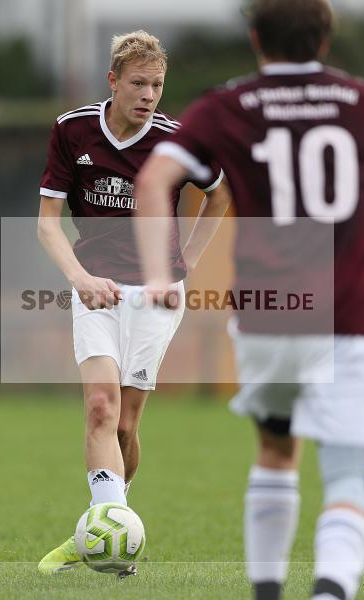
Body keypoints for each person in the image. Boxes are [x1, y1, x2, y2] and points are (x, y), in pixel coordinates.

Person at [134, 1, 364, 598]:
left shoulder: (226, 104)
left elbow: (154, 178)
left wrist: (160, 272)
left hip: (270, 314)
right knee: (347, 477)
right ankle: (330, 591)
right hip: (354, 315)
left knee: (275, 448)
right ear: (327, 39)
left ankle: (267, 592)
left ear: (256, 37)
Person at [36, 30, 231, 576]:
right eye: (139, 83)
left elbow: (220, 192)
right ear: (114, 81)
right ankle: (111, 533)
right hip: (96, 286)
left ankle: (103, 532)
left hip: (157, 293)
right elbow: (47, 225)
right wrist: (79, 277)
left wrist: (187, 261)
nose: (149, 95)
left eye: (158, 86)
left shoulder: (175, 141)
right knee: (101, 407)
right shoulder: (72, 130)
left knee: (126, 428)